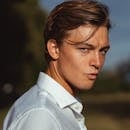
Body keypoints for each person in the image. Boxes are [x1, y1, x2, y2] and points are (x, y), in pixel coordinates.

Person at [2, 0, 111, 130]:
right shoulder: (41, 116)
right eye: (84, 49)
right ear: (54, 49)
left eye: (103, 51)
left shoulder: (55, 109)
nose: (97, 62)